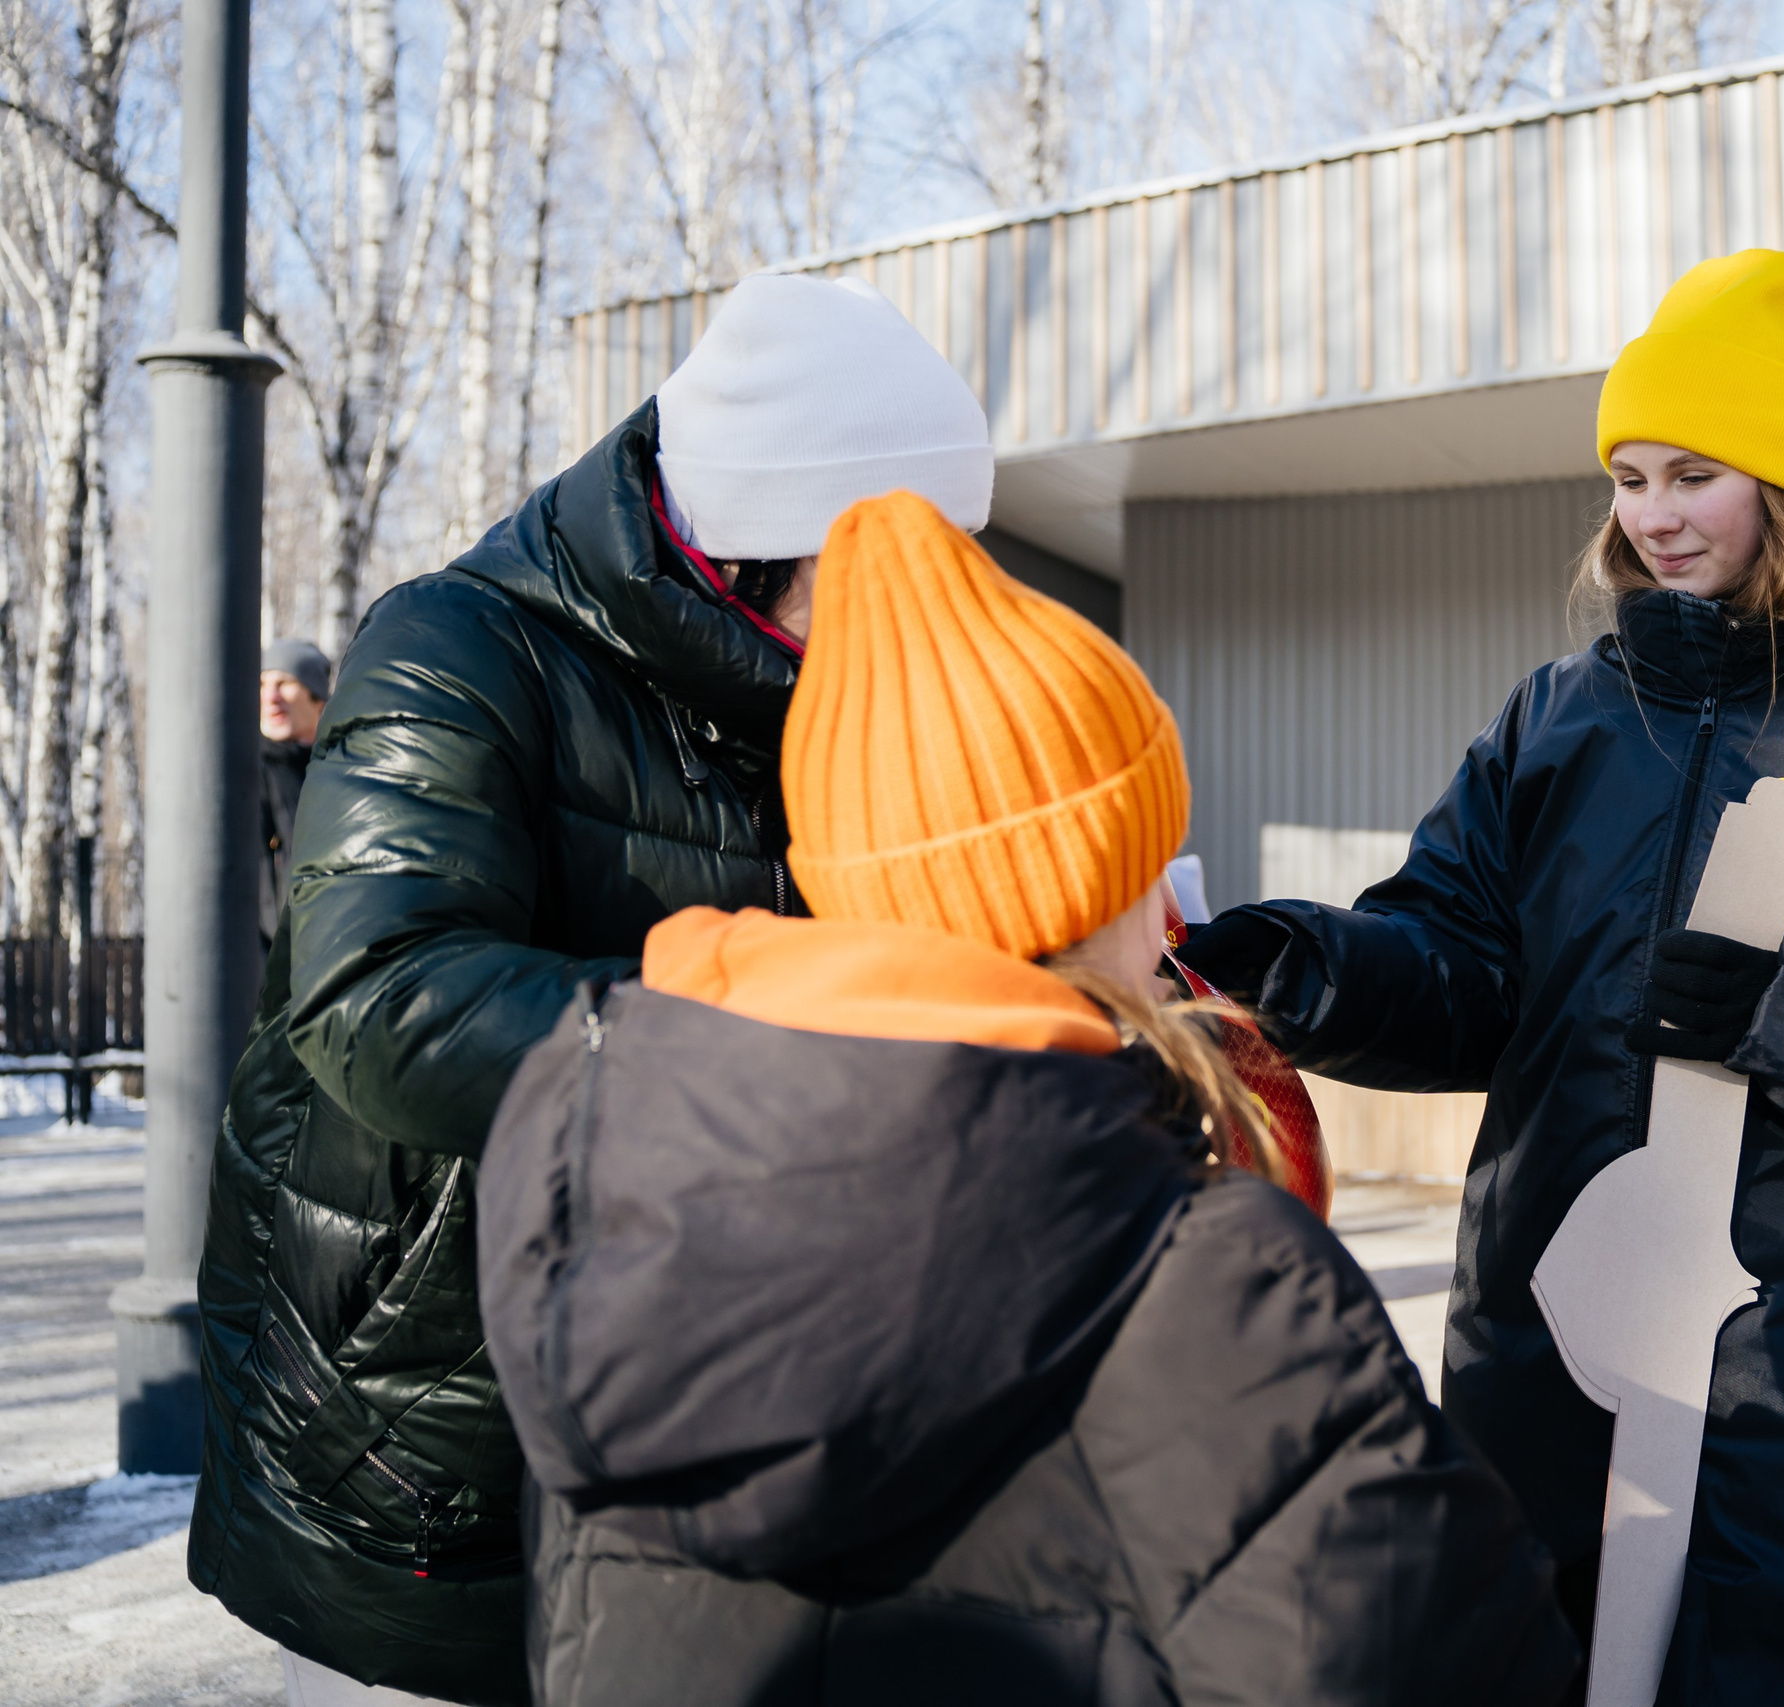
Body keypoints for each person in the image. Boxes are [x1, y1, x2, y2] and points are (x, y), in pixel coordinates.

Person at [1177, 250, 1784, 1705]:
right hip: (1556, 1328)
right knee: (1540, 1655)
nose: (1652, 513)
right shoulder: (1562, 717)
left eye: (1694, 472)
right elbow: (1461, 960)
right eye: (1628, 474)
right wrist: (1292, 965)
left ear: (1783, 483)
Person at [474, 491, 1580, 1707]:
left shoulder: (591, 1198)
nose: (1168, 909)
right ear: (1083, 892)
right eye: (1143, 863)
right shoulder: (1212, 1284)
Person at [190, 274, 997, 1707]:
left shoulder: (840, 689)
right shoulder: (457, 647)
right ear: (747, 545)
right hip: (436, 1387)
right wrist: (763, 1033)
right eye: (886, 565)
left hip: (721, 1369)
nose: (926, 609)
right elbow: (383, 989)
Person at [257, 639, 331, 952]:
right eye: (262, 684)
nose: (270, 697)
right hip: (263, 968)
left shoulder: (344, 772)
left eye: (285, 683)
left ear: (319, 700)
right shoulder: (239, 773)